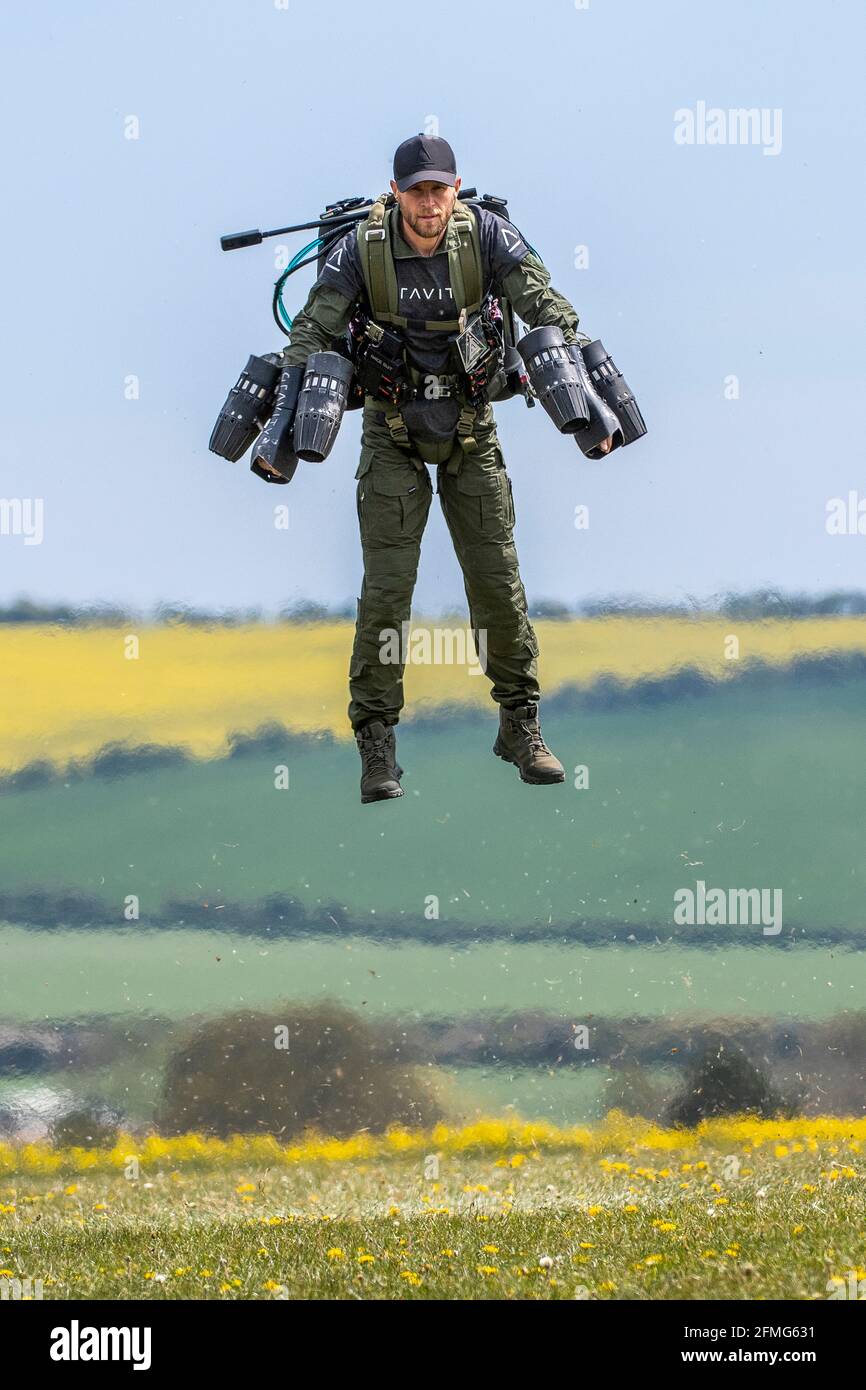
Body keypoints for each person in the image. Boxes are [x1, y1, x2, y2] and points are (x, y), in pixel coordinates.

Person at [266, 134, 612, 804]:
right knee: (387, 593)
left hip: (471, 427)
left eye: (439, 189)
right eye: (416, 190)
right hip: (390, 431)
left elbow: (542, 302)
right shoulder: (360, 249)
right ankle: (376, 746)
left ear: (456, 190)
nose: (428, 203)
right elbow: (314, 327)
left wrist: (580, 355)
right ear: (396, 192)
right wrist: (283, 388)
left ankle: (521, 725)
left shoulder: (487, 238)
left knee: (497, 581)